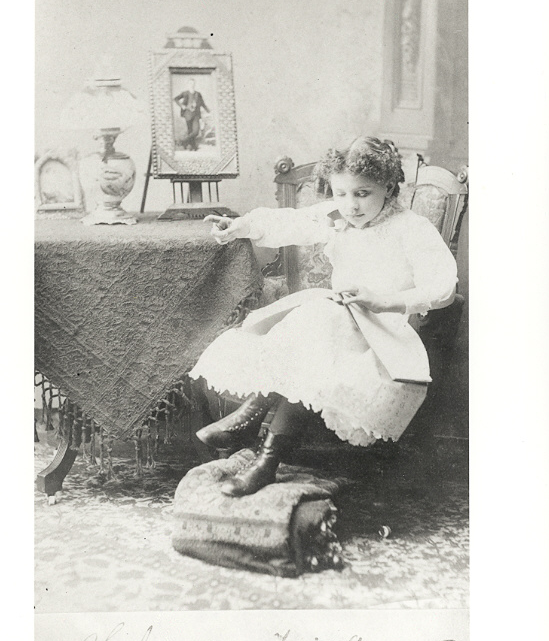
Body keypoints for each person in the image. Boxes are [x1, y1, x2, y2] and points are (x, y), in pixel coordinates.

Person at [190, 136, 458, 497]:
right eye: (342, 194)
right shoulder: (337, 218)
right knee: (312, 321)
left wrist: (383, 301)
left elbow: (442, 288)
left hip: (383, 336)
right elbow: (290, 223)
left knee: (318, 326)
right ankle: (260, 445)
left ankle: (259, 443)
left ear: (389, 187)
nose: (351, 205)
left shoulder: (411, 228)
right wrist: (240, 226)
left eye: (363, 193)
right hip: (334, 322)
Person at [174, 78, 210, 151]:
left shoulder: (198, 94)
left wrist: (208, 110)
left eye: (193, 83)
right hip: (188, 115)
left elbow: (202, 103)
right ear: (188, 84)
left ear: (194, 84)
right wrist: (182, 106)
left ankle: (182, 142)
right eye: (190, 83)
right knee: (190, 131)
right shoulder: (185, 93)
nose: (192, 85)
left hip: (196, 115)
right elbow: (176, 99)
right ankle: (193, 147)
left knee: (196, 132)